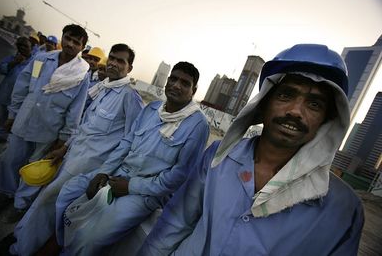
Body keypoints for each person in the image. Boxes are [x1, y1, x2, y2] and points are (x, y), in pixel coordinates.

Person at [139, 44, 364, 256]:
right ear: (264, 103)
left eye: (314, 104)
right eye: (286, 95)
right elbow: (176, 222)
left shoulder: (343, 209)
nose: (296, 111)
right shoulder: (219, 157)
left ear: (327, 119)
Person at [52, 61, 209, 255]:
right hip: (116, 174)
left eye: (185, 83)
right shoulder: (152, 109)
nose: (176, 85)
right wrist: (103, 172)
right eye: (173, 79)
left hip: (144, 193)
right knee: (67, 192)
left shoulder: (198, 125)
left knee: (91, 238)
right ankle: (62, 244)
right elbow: (126, 143)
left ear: (193, 90)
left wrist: (130, 186)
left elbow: (178, 176)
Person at [8, 43, 144, 256]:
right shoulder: (103, 89)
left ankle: (21, 248)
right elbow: (85, 126)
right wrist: (64, 149)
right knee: (47, 200)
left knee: (49, 203)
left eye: (121, 61)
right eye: (113, 58)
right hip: (73, 157)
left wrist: (106, 174)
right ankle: (23, 240)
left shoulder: (129, 97)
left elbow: (131, 141)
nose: (115, 64)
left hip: (89, 165)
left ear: (130, 68)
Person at [0, 24, 90, 223]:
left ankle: (20, 204)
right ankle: (5, 194)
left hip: (49, 131)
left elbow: (76, 109)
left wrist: (63, 139)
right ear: (62, 37)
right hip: (24, 121)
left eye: (77, 42)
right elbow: (22, 87)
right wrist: (12, 116)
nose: (70, 44)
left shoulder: (82, 74)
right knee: (9, 160)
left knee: (35, 169)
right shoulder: (41, 59)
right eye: (68, 38)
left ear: (81, 47)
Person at [0, 37, 32, 143]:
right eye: (21, 46)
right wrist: (14, 62)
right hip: (7, 93)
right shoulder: (12, 58)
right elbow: (1, 69)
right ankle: (1, 135)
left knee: (15, 118)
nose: (23, 48)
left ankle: (10, 138)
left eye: (26, 46)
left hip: (20, 97)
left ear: (30, 48)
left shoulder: (34, 62)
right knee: (2, 116)